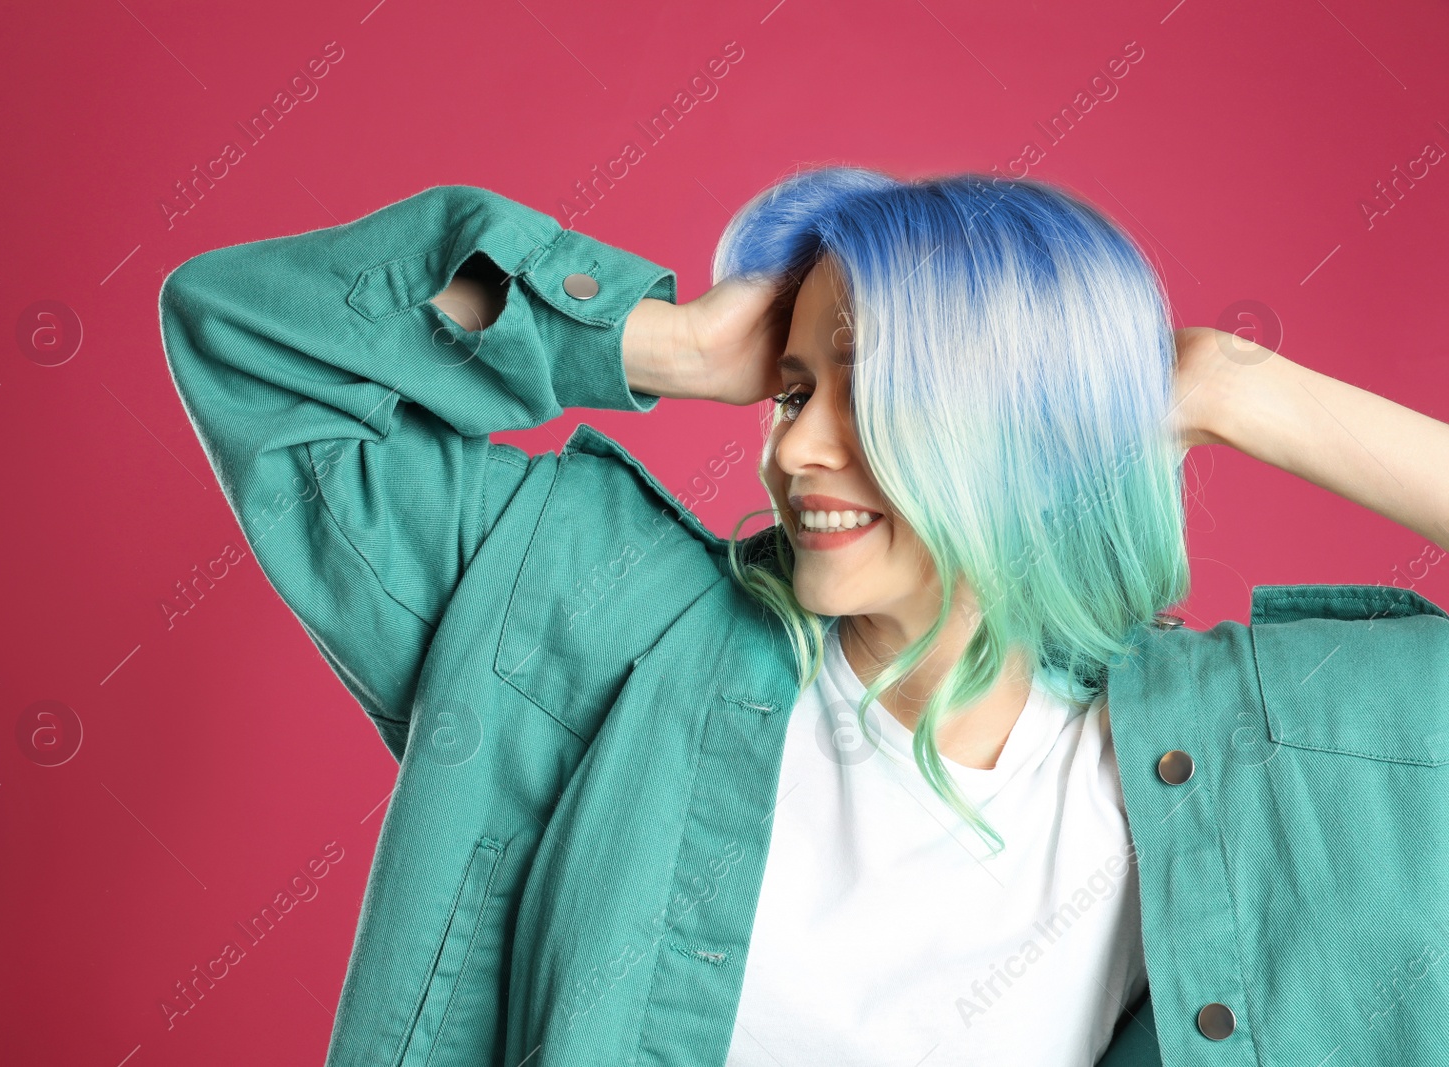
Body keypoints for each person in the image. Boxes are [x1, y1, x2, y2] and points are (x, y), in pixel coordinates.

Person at [158, 168, 1449, 1066]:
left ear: (1027, 432)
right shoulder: (599, 617)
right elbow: (254, 345)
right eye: (789, 389)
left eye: (873, 390)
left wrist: (1235, 383)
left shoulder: (1256, 748)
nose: (800, 447)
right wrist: (656, 347)